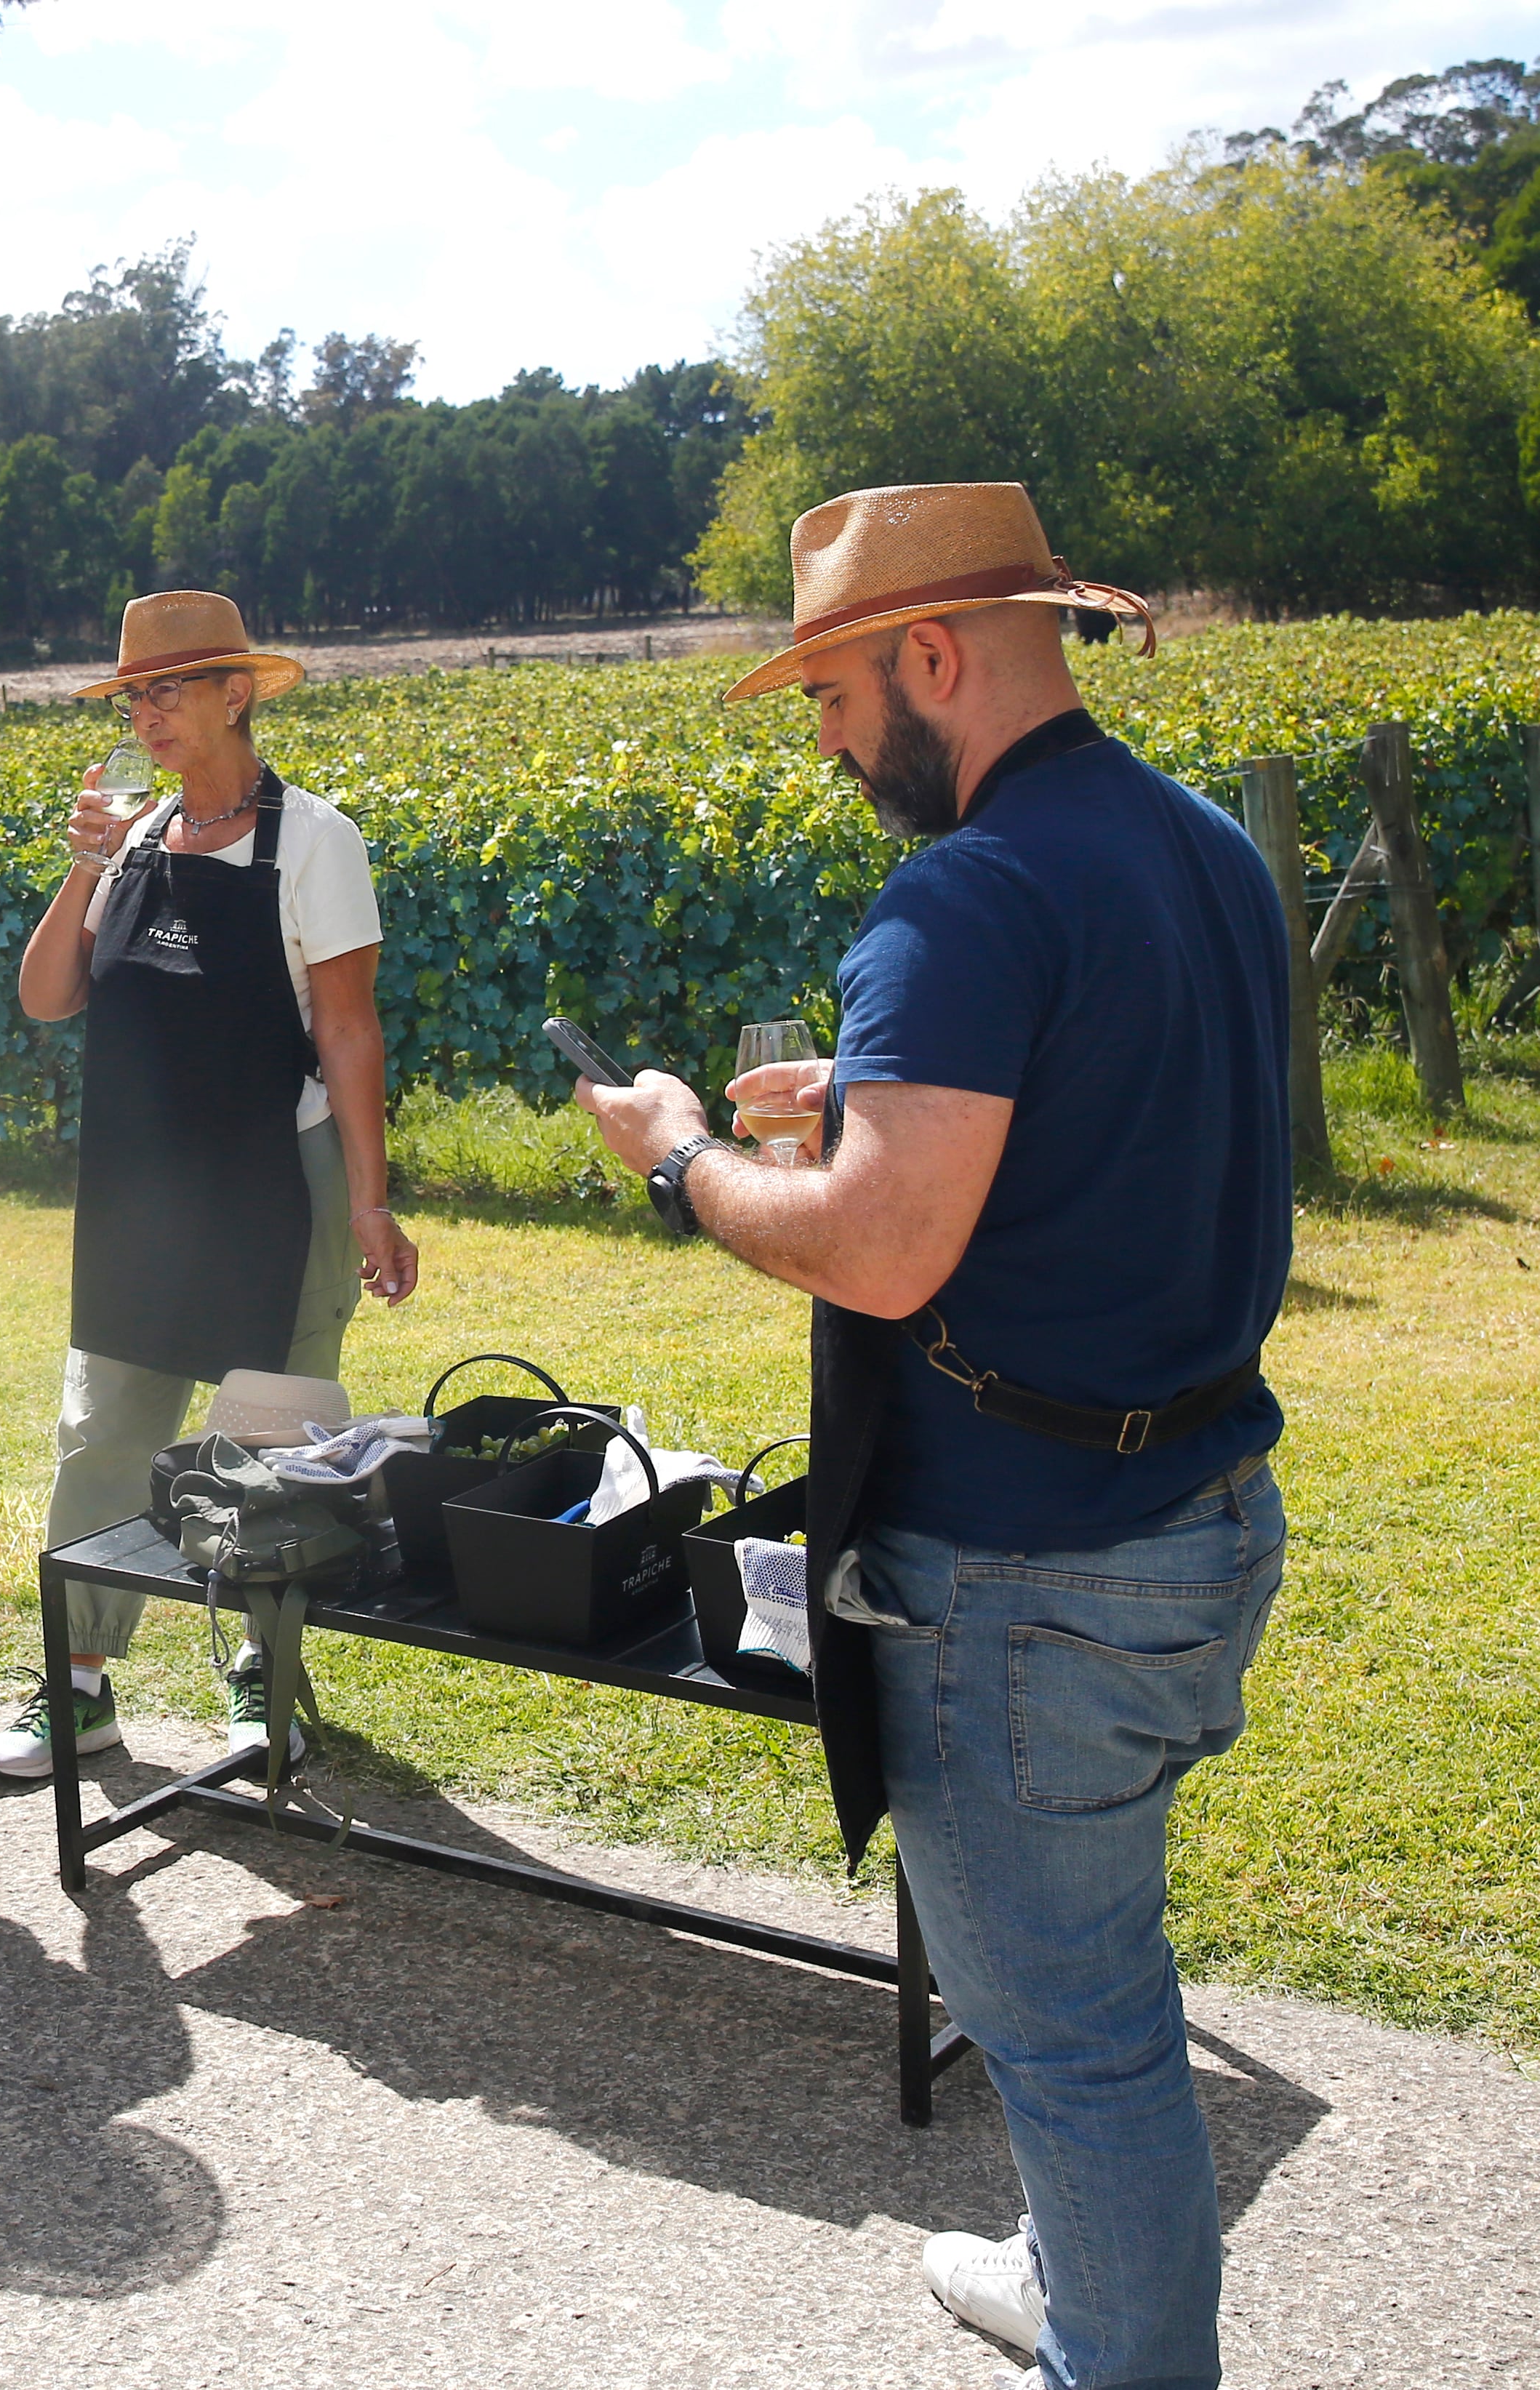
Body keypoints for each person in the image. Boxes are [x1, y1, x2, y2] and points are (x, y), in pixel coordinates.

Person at [576, 484, 1287, 2390]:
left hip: (1031, 1580)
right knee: (1096, 1974)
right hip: (1204, 1509)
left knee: (1075, 2039)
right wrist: (894, 1089)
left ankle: (1116, 2355)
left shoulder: (961, 898)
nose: (823, 739)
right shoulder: (1206, 847)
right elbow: (1117, 1107)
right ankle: (1071, 2277)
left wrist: (683, 1159)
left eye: (830, 692)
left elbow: (882, 1252)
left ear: (933, 656)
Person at [0, 591, 421, 1781]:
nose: (147, 713)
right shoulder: (129, 839)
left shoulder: (315, 841)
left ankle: (262, 1676)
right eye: (134, 694)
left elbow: (348, 1030)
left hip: (280, 1180)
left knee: (269, 1437)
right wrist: (81, 866)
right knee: (101, 1437)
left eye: (169, 689)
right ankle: (76, 1685)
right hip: (140, 1190)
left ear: (238, 693)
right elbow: (45, 997)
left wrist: (369, 1201)